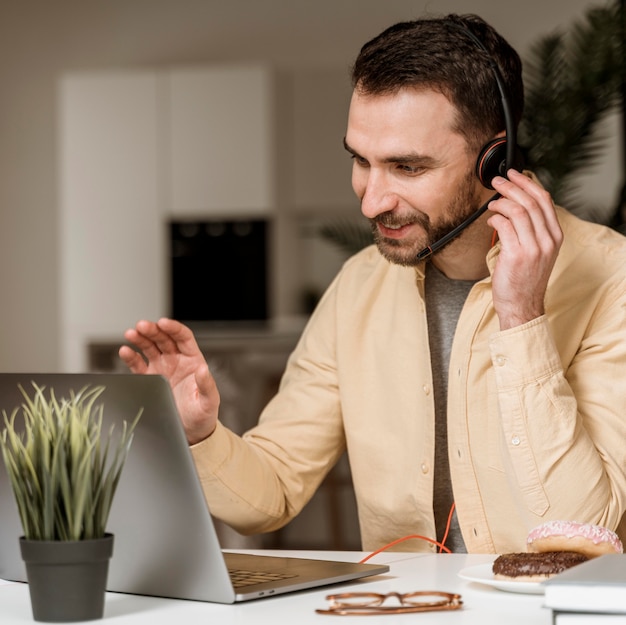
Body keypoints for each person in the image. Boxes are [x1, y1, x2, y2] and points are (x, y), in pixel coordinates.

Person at [119, 13, 626, 554]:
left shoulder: (612, 280)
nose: (369, 200)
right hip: (399, 611)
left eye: (407, 167)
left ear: (493, 159)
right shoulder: (359, 285)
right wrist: (199, 434)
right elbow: (272, 492)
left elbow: (584, 535)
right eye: (361, 160)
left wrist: (523, 319)